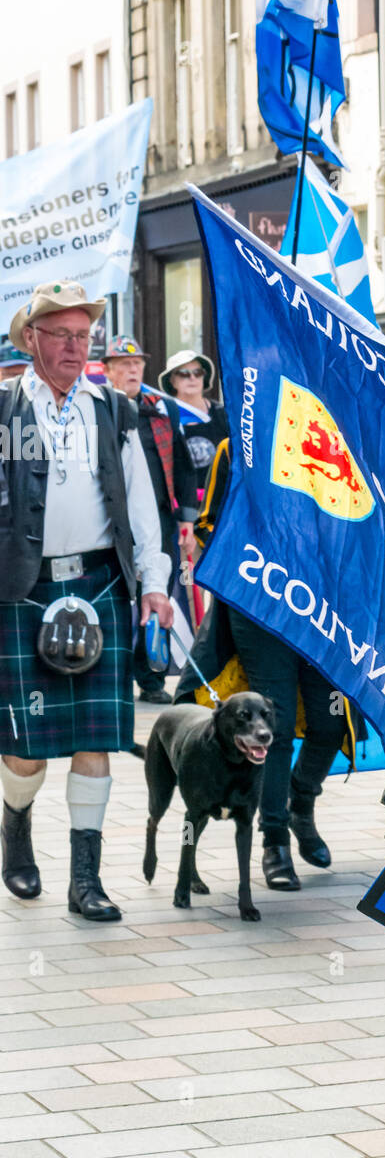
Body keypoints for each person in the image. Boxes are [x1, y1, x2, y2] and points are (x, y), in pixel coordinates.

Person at [0, 282, 173, 921]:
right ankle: (15, 828)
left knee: (94, 738)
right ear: (31, 340)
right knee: (22, 744)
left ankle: (86, 880)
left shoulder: (114, 410)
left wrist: (153, 584)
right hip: (21, 588)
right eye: (62, 335)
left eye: (84, 336)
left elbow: (142, 505)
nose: (76, 347)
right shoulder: (2, 412)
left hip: (100, 586)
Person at [174, 438, 356, 891]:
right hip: (260, 606)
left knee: (332, 723)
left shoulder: (339, 436)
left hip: (327, 610)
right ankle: (274, 839)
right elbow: (208, 526)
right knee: (267, 729)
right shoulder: (237, 441)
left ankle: (301, 802)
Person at [102, 336, 198, 704]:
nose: (131, 370)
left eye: (137, 364)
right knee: (117, 599)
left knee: (156, 597)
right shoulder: (99, 408)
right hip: (112, 522)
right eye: (123, 364)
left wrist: (187, 520)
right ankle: (113, 676)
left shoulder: (163, 408)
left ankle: (151, 681)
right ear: (108, 370)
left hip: (160, 519)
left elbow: (186, 466)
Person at [158, 349, 229, 499]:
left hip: (218, 502)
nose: (192, 378)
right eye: (184, 373)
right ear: (172, 380)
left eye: (198, 373)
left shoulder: (222, 414)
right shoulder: (163, 416)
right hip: (178, 504)